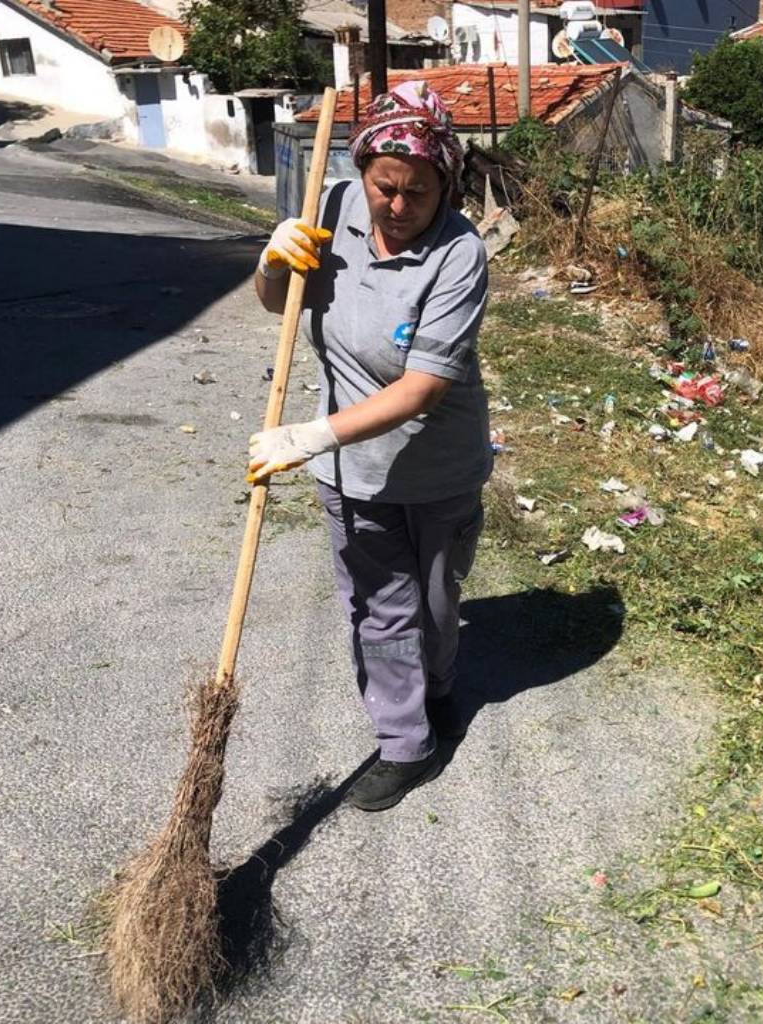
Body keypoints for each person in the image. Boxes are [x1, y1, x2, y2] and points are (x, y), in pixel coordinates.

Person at [248, 81, 492, 812]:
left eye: (418, 191)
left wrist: (310, 433)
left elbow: (420, 389)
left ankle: (439, 689)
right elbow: (275, 301)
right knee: (381, 610)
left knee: (437, 604)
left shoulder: (460, 254)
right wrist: (271, 261)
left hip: (440, 466)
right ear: (363, 172)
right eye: (386, 186)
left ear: (444, 182)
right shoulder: (329, 209)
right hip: (352, 472)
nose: (397, 204)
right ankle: (404, 742)